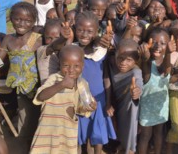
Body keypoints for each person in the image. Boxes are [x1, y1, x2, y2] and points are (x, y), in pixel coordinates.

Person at [30, 45, 96, 154]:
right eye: (66, 65)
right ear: (59, 65)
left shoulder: (82, 84)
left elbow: (81, 108)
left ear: (83, 66)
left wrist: (90, 106)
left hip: (67, 131)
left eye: (76, 66)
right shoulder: (54, 79)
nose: (71, 70)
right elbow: (40, 97)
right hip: (47, 130)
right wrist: (61, 85)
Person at [0, 2, 42, 150]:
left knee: (39, 121)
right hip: (20, 90)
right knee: (25, 122)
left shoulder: (37, 39)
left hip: (38, 89)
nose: (22, 24)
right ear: (11, 18)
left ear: (33, 22)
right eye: (17, 19)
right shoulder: (8, 39)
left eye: (28, 21)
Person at [75, 11, 116, 154]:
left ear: (96, 32)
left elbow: (106, 78)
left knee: (97, 136)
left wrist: (108, 102)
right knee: (79, 135)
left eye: (89, 31)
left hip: (98, 101)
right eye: (80, 30)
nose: (84, 34)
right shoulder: (73, 50)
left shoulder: (101, 52)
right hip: (77, 100)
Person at [138, 28, 175, 154]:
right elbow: (149, 71)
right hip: (147, 109)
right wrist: (144, 59)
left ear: (169, 44)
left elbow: (165, 70)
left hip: (161, 108)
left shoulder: (167, 61)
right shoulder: (146, 62)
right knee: (145, 136)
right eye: (153, 42)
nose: (157, 46)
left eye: (163, 43)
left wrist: (169, 54)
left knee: (159, 134)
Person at [108, 39, 143, 154]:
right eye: (120, 58)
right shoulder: (110, 64)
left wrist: (137, 91)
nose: (123, 63)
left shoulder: (135, 72)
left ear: (136, 60)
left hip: (127, 107)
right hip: (113, 103)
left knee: (131, 110)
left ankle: (130, 148)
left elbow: (138, 83)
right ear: (115, 55)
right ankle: (122, 146)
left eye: (129, 60)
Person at [36, 19, 73, 84]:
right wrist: (64, 38)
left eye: (57, 38)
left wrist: (68, 39)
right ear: (44, 36)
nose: (53, 41)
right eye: (49, 38)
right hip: (48, 91)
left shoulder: (69, 49)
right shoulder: (41, 50)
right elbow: (53, 46)